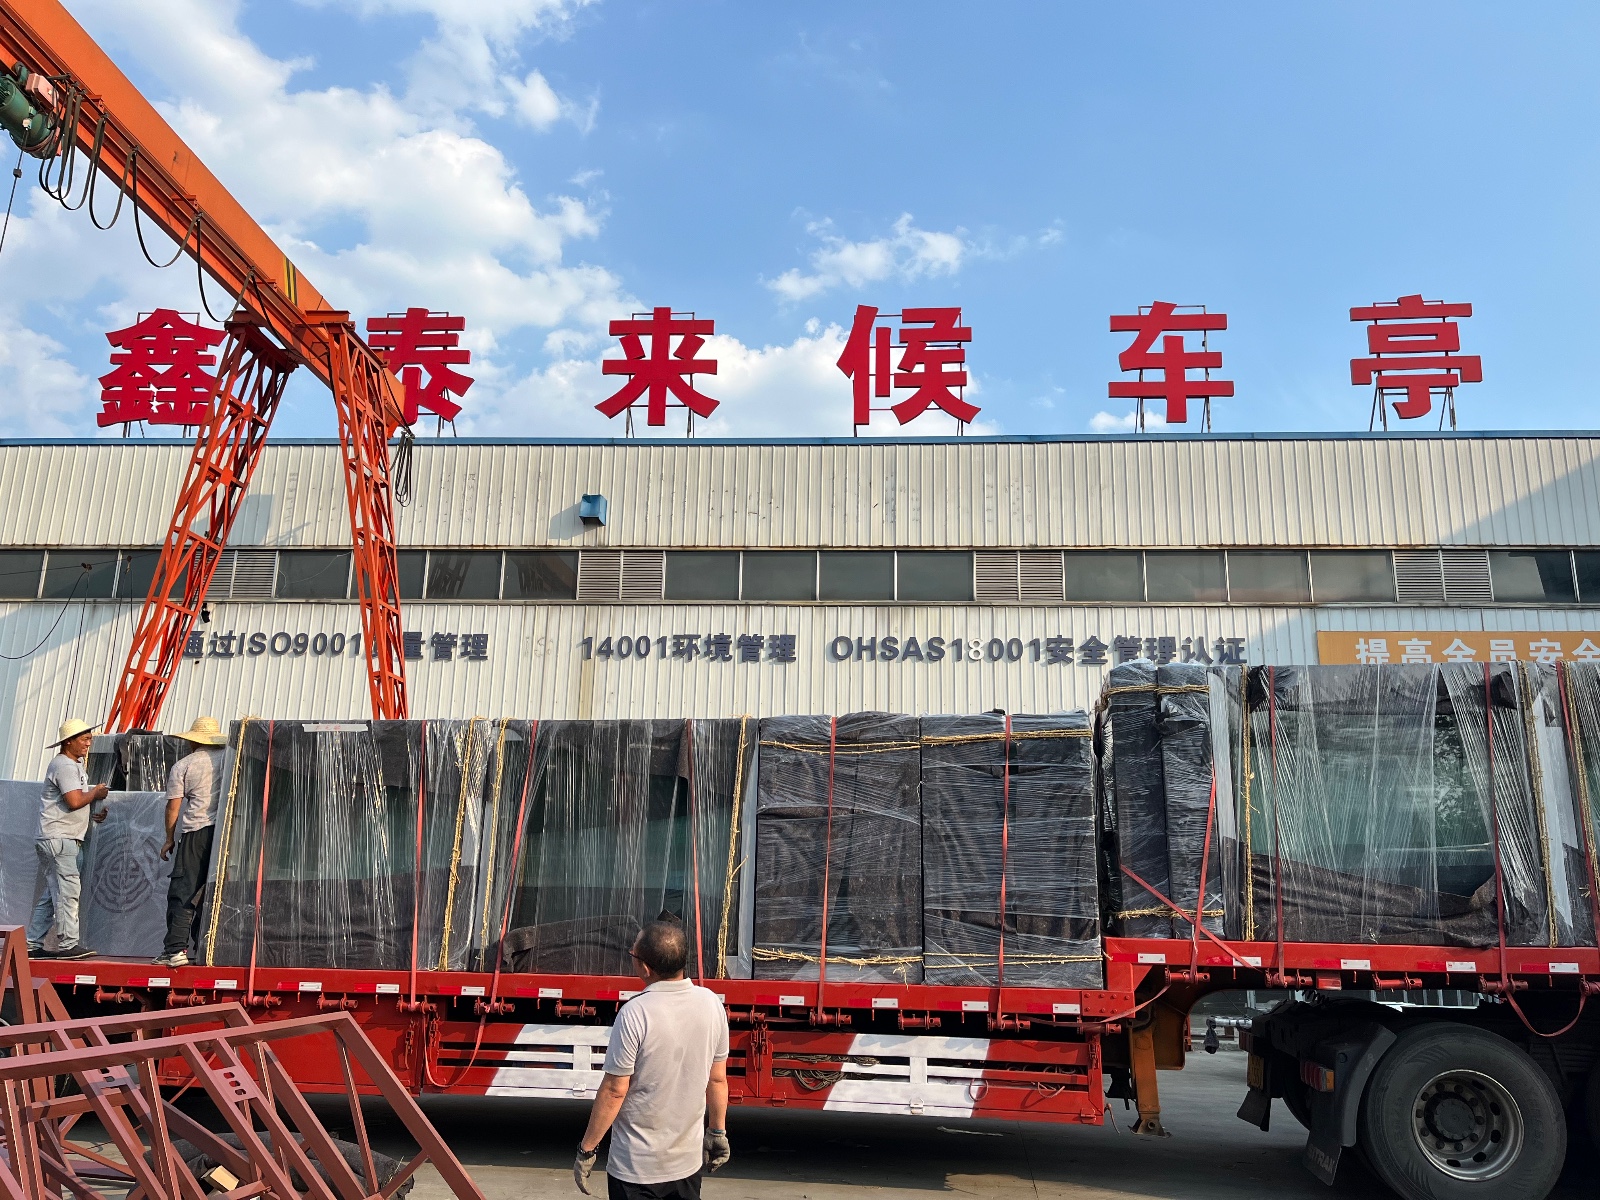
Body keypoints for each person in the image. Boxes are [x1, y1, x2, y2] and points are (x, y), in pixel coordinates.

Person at [574, 920, 731, 1199]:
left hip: (636, 1170)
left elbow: (614, 1090)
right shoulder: (711, 1004)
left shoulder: (635, 1013)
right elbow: (717, 1079)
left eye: (633, 954)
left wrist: (587, 1149)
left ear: (645, 968)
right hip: (687, 1166)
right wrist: (717, 1131)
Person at [27, 719, 108, 959]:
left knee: (53, 892)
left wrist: (91, 812)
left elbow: (70, 803)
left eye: (89, 738)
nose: (88, 743)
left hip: (59, 837)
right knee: (68, 891)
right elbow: (73, 801)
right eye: (84, 739)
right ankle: (68, 944)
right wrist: (95, 793)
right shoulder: (65, 766)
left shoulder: (70, 765)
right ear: (69, 741)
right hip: (61, 839)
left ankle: (32, 943)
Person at [154, 716, 228, 968]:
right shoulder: (229, 759)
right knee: (212, 892)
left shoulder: (184, 765)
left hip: (196, 832)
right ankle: (208, 948)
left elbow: (173, 807)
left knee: (183, 891)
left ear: (192, 741)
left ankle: (175, 949)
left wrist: (169, 838)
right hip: (225, 834)